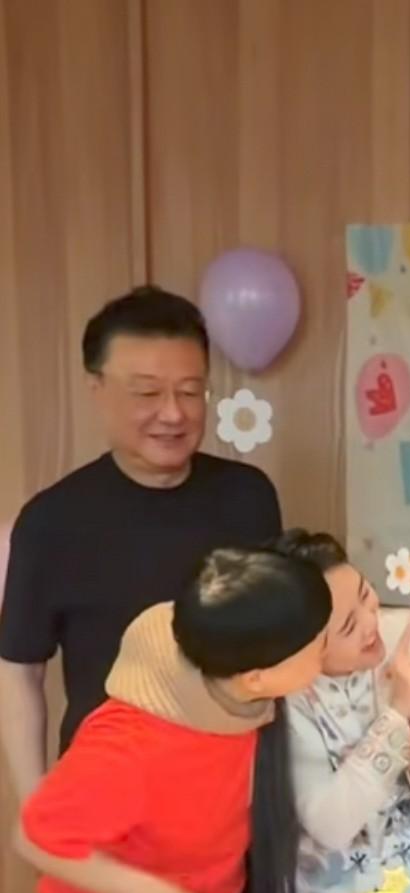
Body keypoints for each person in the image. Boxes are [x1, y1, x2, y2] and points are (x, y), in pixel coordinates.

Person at [0, 286, 281, 805]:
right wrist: (34, 805)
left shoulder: (250, 497)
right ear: (97, 389)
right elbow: (19, 670)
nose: (172, 414)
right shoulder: (50, 522)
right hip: (107, 796)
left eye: (190, 391)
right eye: (147, 394)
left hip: (235, 790)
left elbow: (281, 639)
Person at [17, 549, 330, 893]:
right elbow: (35, 838)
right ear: (257, 677)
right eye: (318, 644)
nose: (325, 651)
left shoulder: (235, 681)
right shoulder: (127, 746)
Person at [272, 529, 410, 893]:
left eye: (365, 594)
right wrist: (399, 710)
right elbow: (332, 823)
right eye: (348, 626)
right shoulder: (288, 697)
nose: (371, 623)